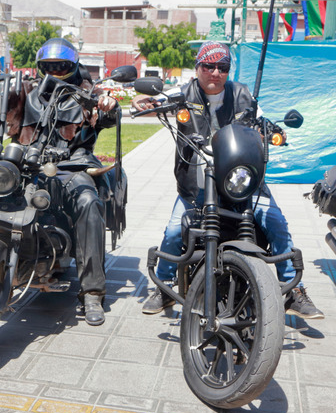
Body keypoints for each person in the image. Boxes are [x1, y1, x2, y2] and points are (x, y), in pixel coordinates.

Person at [133, 41, 324, 319]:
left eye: (222, 67)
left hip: (241, 183)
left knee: (276, 223)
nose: (215, 73)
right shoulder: (184, 93)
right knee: (175, 231)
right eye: (208, 66)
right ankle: (164, 287)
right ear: (198, 68)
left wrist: (272, 133)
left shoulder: (242, 94)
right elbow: (153, 103)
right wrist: (144, 102)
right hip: (197, 183)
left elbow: (261, 121)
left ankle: (293, 290)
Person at [0, 38, 119, 326]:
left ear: (73, 66)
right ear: (40, 66)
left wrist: (109, 106)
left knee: (88, 202)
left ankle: (92, 293)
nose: (55, 71)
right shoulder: (27, 91)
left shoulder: (89, 93)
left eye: (61, 67)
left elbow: (105, 115)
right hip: (25, 164)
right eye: (49, 66)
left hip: (70, 167)